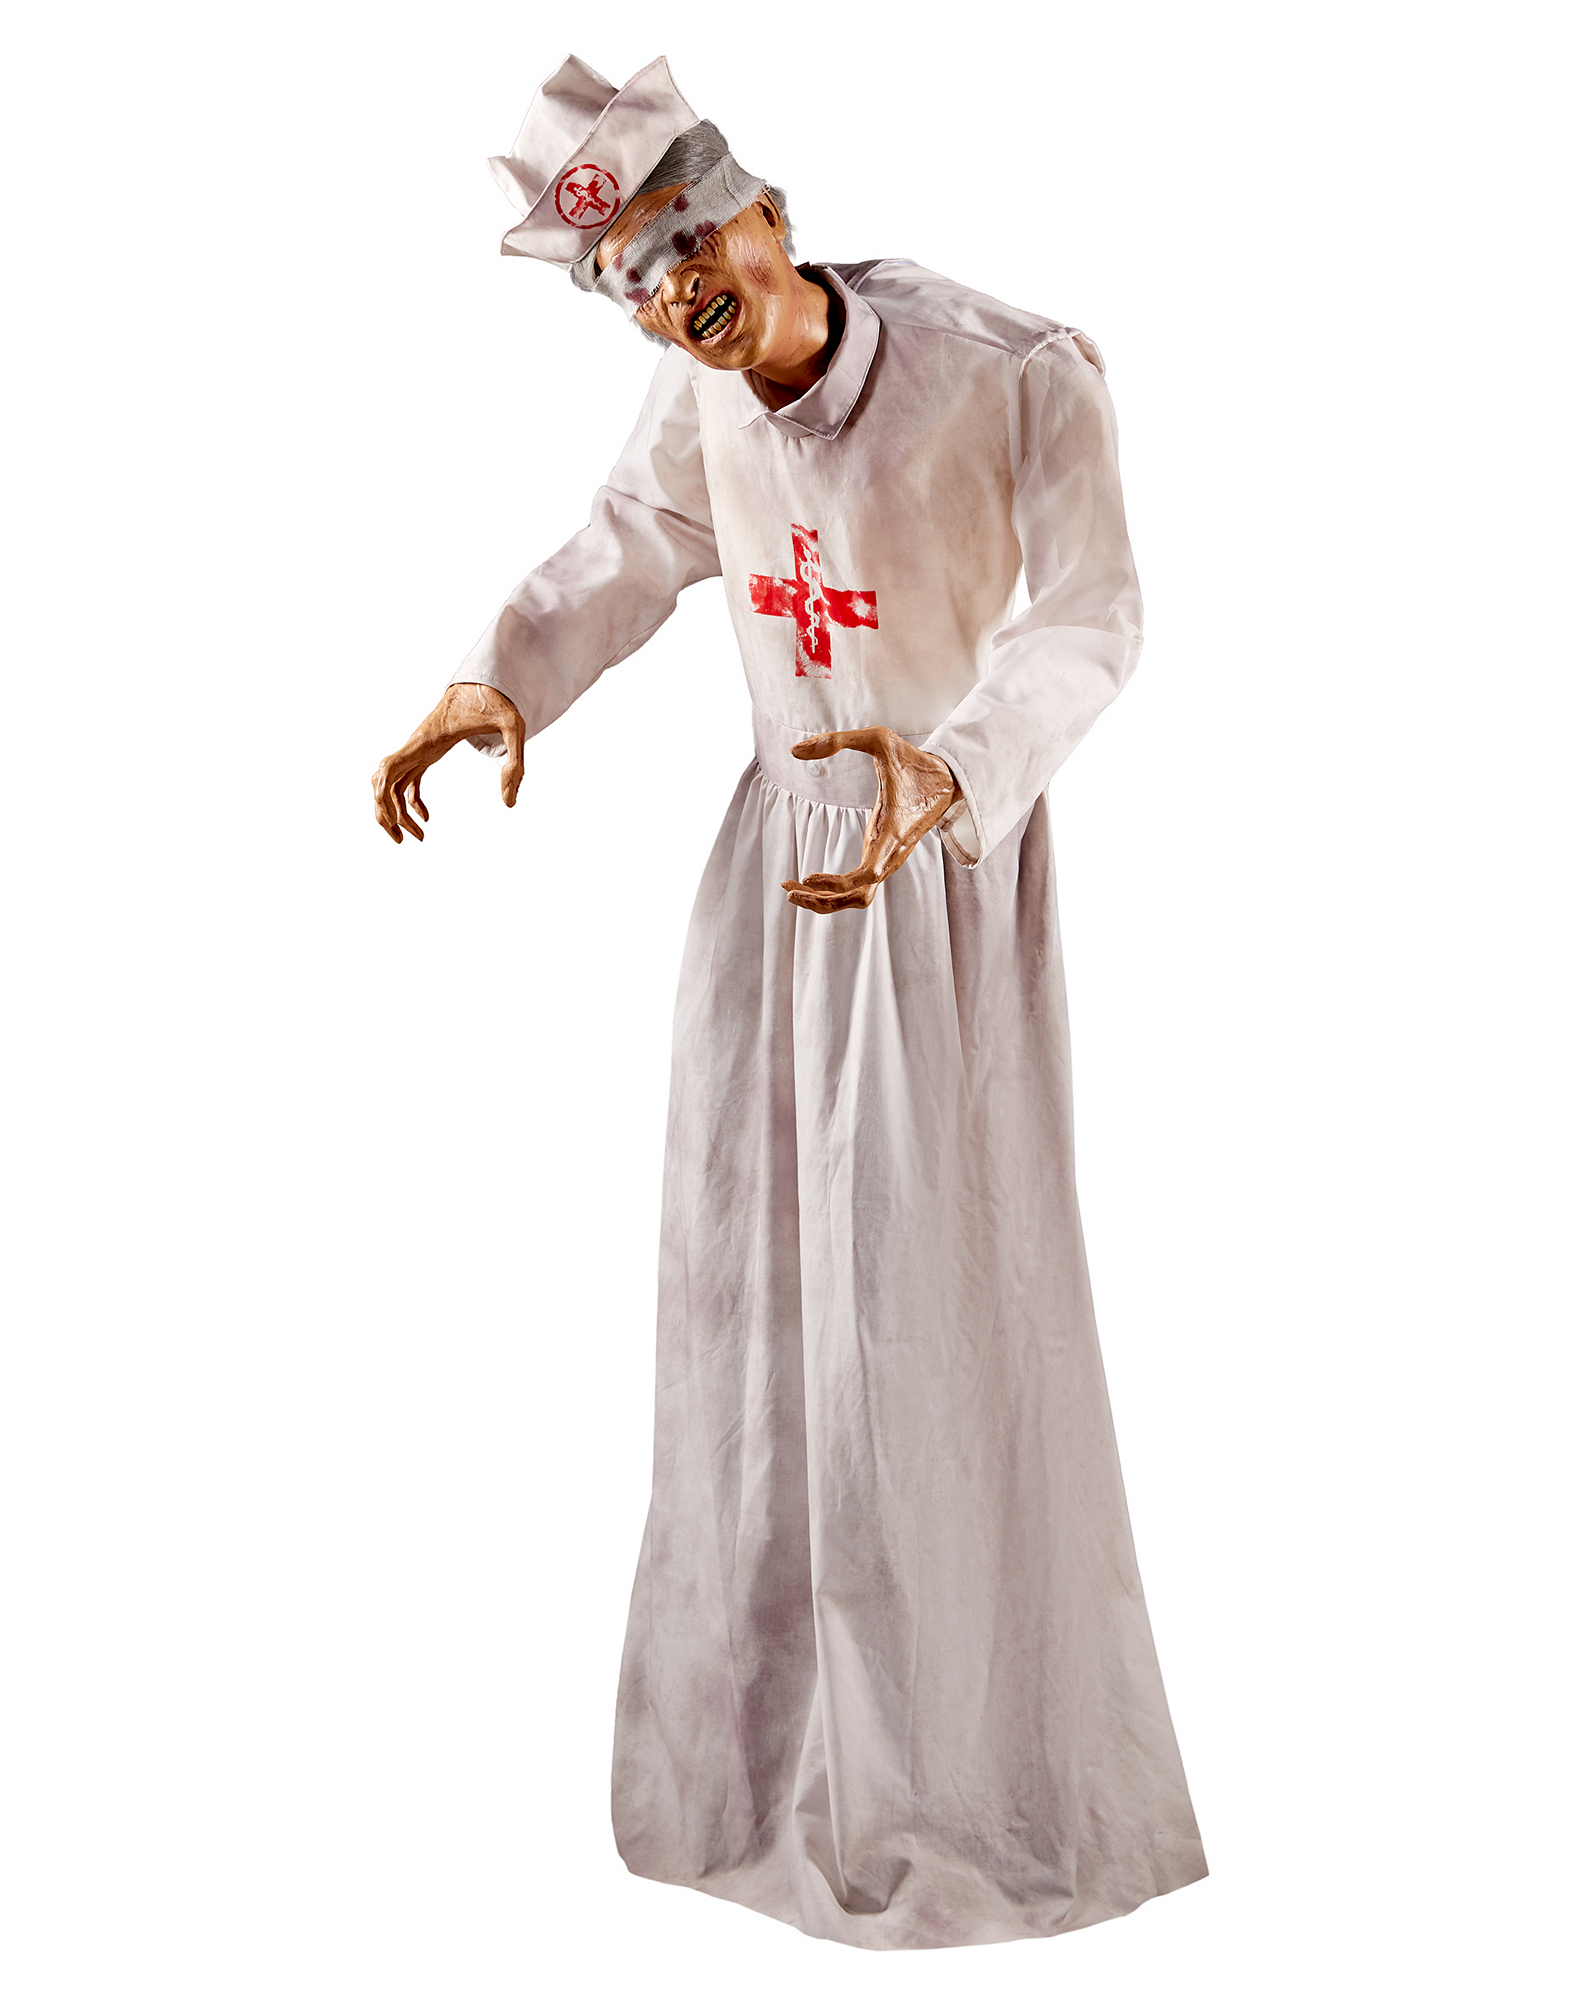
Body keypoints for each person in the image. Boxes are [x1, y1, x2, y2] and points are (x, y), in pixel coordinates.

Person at [373, 54, 1207, 1950]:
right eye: (635, 283)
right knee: (750, 1305)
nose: (674, 293)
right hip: (774, 881)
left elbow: (1094, 613)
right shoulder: (699, 392)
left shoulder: (1011, 372)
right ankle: (766, 1761)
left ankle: (969, 1771)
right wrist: (503, 672)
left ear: (765, 214)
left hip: (932, 870)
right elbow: (632, 539)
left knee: (923, 1320)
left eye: (689, 246)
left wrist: (959, 772)